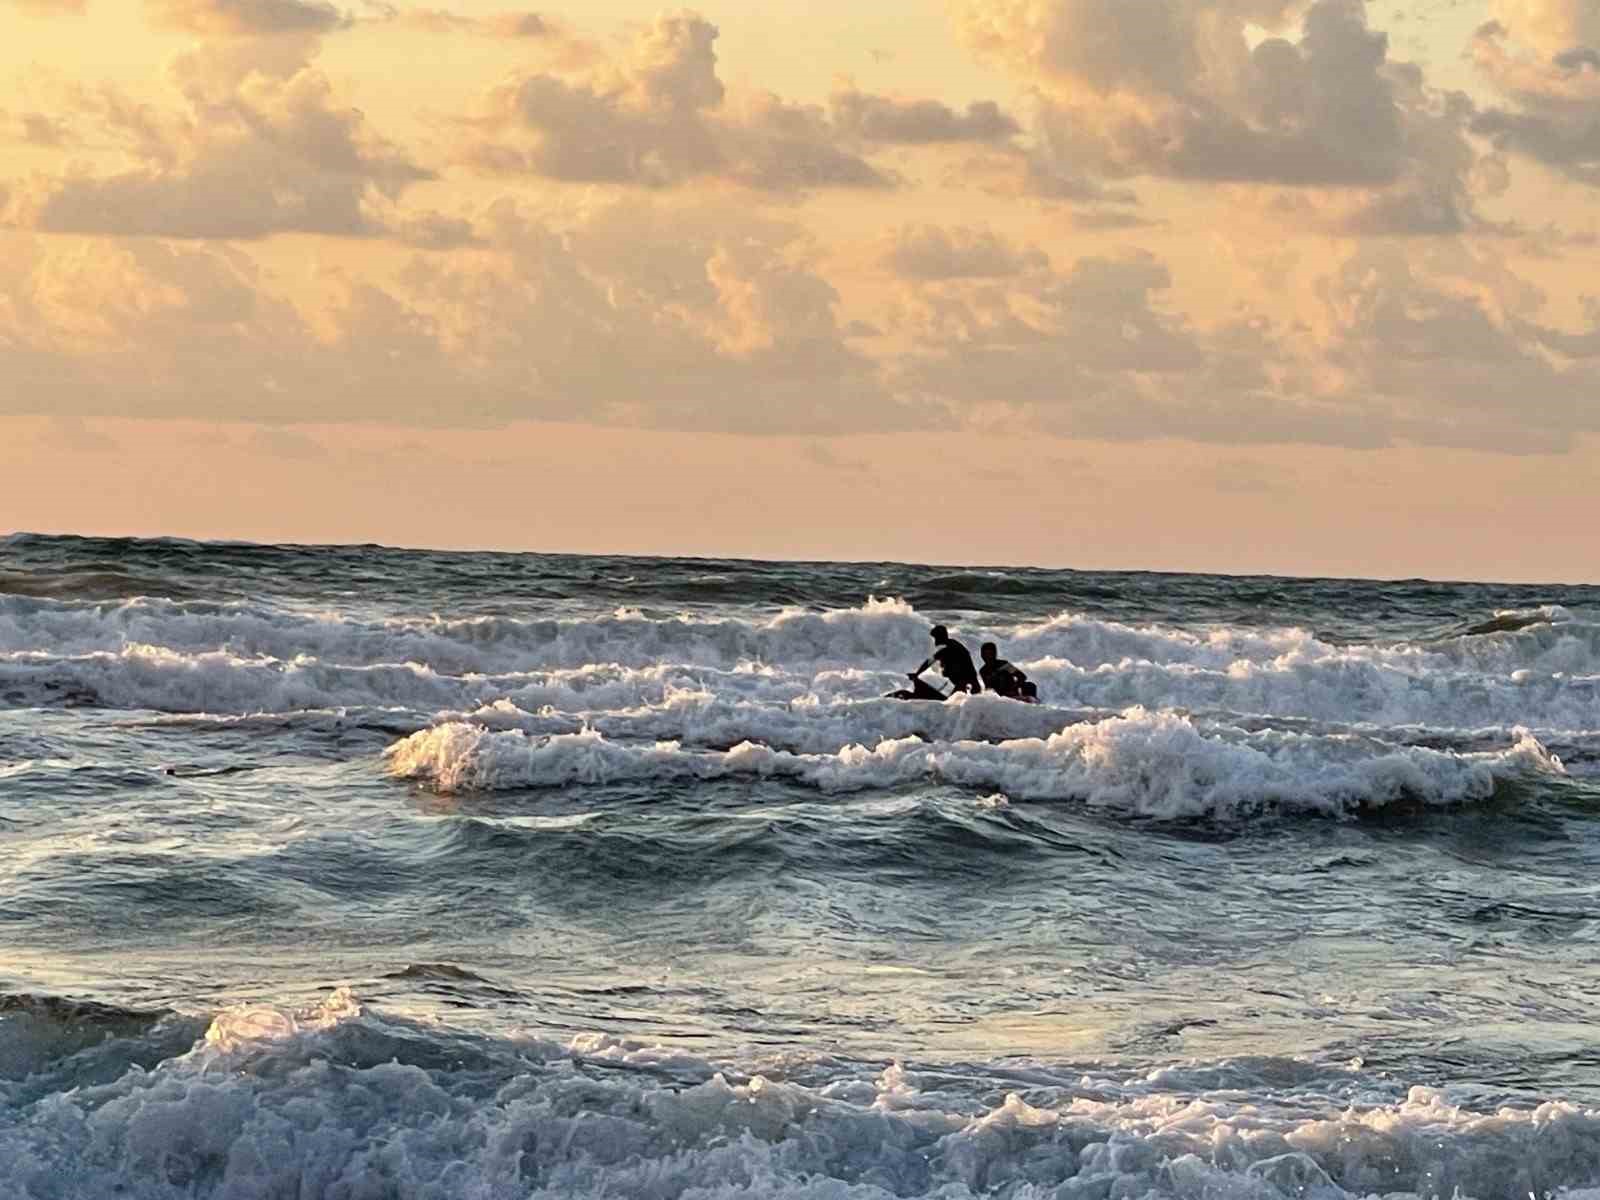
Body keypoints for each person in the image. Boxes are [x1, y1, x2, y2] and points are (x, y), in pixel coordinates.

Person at [911, 624, 981, 697]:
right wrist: (917, 674)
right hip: (966, 683)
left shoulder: (950, 648)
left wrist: (917, 674)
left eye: (936, 638)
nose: (935, 641)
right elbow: (931, 661)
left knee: (951, 705)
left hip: (967, 683)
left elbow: (930, 661)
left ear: (941, 637)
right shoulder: (950, 645)